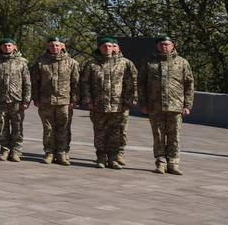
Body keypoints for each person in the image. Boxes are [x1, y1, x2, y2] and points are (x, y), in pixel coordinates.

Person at [138, 35, 195, 175]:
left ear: (172, 46)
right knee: (158, 136)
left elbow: (189, 84)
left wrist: (187, 105)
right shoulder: (148, 62)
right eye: (161, 44)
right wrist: (143, 103)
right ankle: (161, 163)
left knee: (174, 136)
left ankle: (173, 163)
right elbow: (141, 84)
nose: (164, 46)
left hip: (175, 106)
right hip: (155, 106)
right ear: (157, 46)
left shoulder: (181, 62)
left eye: (167, 44)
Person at [79, 36, 137, 169]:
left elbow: (131, 83)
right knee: (99, 133)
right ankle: (101, 157)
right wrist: (88, 101)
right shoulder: (91, 64)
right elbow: (85, 83)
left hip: (118, 106)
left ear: (114, 48)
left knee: (115, 133)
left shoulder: (125, 63)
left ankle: (113, 159)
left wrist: (129, 101)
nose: (107, 48)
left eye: (110, 46)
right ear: (99, 48)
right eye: (104, 46)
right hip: (98, 105)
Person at [31, 36, 79, 166]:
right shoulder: (41, 62)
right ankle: (49, 153)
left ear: (62, 46)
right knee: (48, 128)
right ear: (47, 47)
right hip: (46, 101)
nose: (54, 47)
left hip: (64, 102)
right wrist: (36, 98)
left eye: (57, 45)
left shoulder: (71, 63)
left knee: (64, 128)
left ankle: (62, 153)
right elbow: (35, 82)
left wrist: (74, 100)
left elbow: (75, 83)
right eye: (52, 45)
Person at [0, 37, 31, 161]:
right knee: (2, 127)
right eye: (4, 46)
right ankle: (5, 150)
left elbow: (27, 82)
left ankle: (16, 151)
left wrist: (26, 100)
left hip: (16, 100)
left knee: (17, 127)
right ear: (0, 47)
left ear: (14, 47)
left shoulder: (21, 62)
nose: (7, 48)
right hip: (0, 100)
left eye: (9, 45)